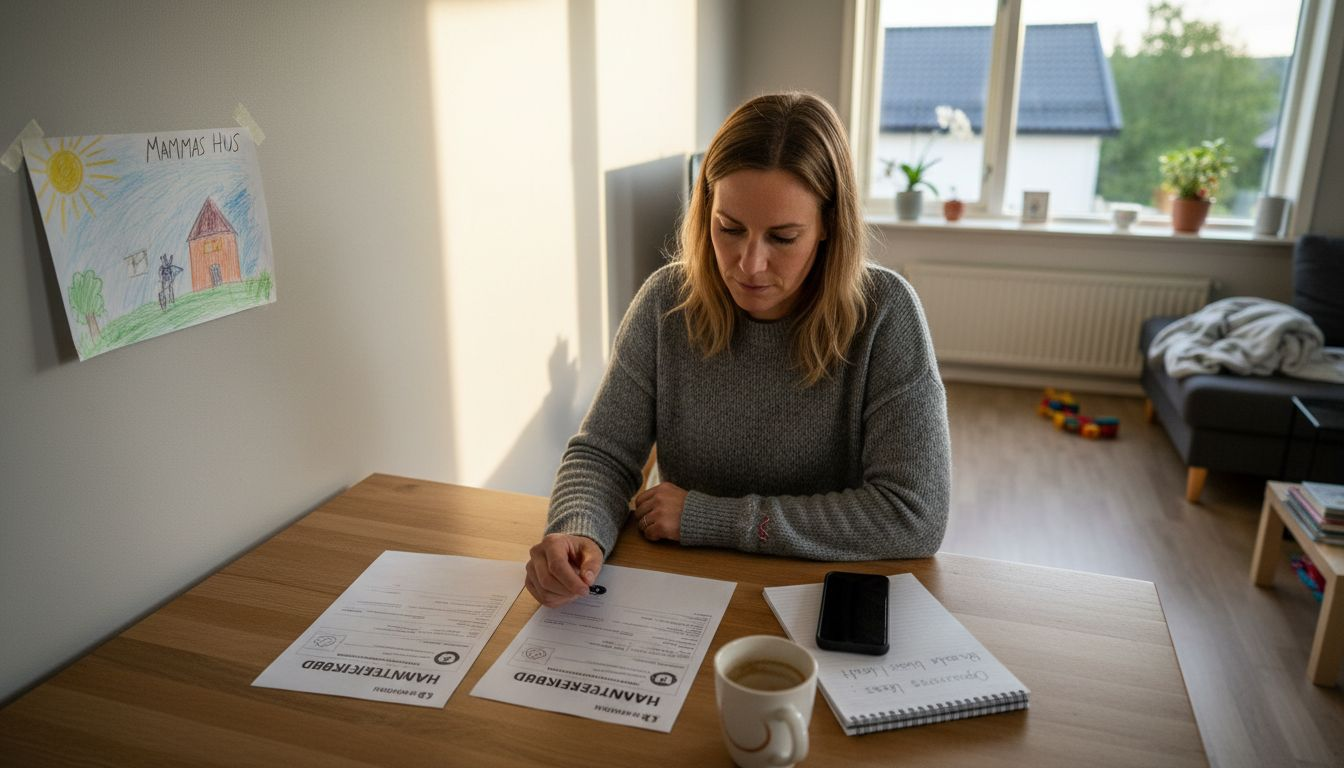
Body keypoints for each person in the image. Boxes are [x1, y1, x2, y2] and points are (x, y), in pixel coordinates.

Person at [524, 92, 951, 608]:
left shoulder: (886, 314)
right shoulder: (666, 301)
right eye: (729, 229)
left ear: (828, 228)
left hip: (819, 599)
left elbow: (912, 514)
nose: (749, 264)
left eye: (783, 237)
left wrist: (710, 518)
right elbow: (603, 455)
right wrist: (578, 529)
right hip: (686, 594)